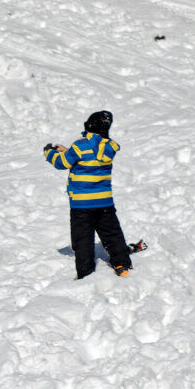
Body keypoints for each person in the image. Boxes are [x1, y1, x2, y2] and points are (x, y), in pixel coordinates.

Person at [45, 109, 136, 278]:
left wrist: (49, 152)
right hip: (104, 203)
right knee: (112, 235)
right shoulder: (109, 148)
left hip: (82, 205)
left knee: (83, 240)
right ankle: (122, 265)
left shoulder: (80, 146)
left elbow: (61, 162)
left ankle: (85, 272)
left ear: (89, 126)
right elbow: (90, 156)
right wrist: (68, 150)